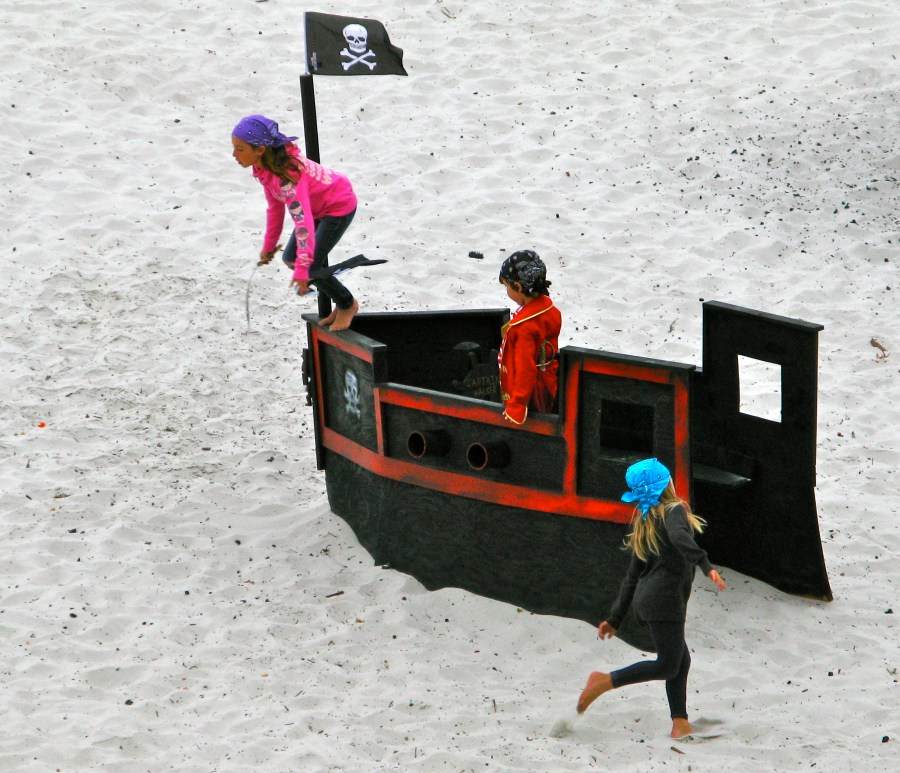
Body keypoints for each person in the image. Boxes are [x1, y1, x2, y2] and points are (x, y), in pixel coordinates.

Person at [576, 458, 727, 739]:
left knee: (680, 661)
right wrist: (706, 565)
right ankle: (604, 681)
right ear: (665, 484)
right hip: (664, 602)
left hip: (648, 603)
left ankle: (680, 723)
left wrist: (614, 618)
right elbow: (680, 537)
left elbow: (632, 577)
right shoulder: (674, 510)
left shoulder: (647, 521)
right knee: (667, 665)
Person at [231, 114, 360, 330]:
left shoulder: (288, 179)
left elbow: (303, 223)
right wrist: (269, 246)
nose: (234, 154)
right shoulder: (265, 169)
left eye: (240, 149)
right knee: (291, 258)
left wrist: (302, 270)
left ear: (260, 149)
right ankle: (341, 302)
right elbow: (275, 208)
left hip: (338, 207)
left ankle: (347, 304)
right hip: (317, 208)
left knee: (308, 265)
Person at [497, 250, 562, 424]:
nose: (507, 290)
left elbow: (525, 369)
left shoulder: (524, 328)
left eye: (507, 286)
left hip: (532, 393)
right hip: (548, 379)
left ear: (518, 287)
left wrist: (517, 406)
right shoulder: (551, 311)